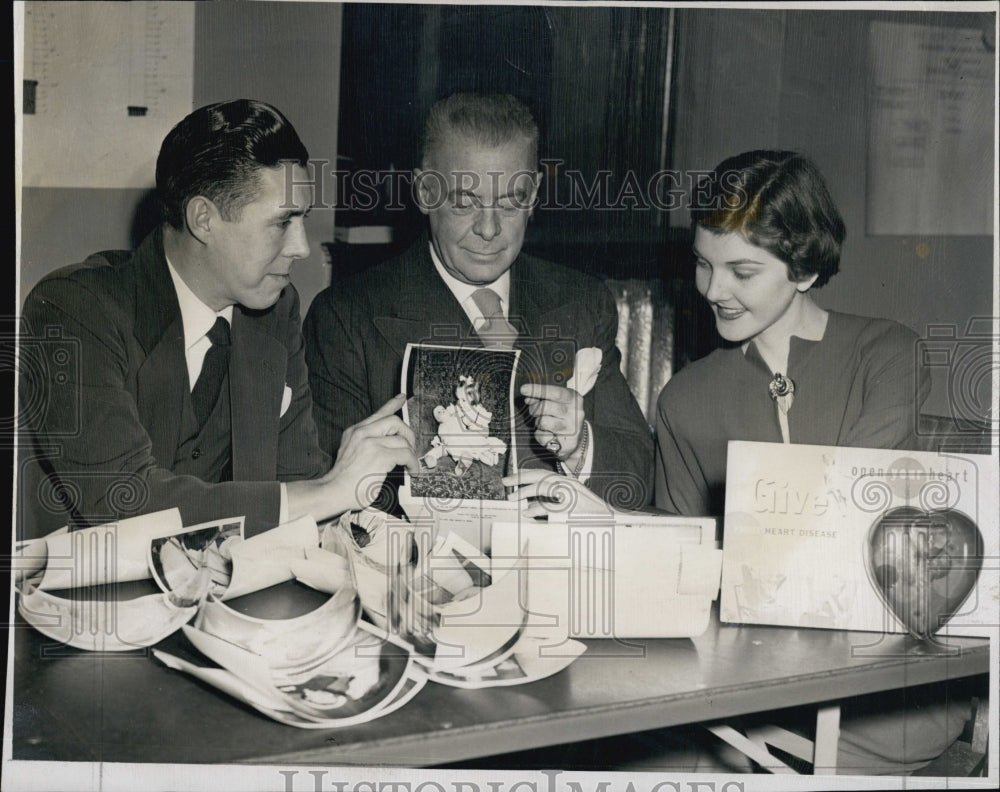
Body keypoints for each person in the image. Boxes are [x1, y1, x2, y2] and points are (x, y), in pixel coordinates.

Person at [19, 99, 417, 539]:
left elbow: (298, 479)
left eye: (303, 220)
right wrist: (331, 491)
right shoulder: (73, 310)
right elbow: (121, 502)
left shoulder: (276, 311)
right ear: (203, 219)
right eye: (282, 222)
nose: (302, 247)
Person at [303, 92, 652, 509]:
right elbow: (325, 497)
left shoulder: (582, 303)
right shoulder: (346, 317)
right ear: (424, 192)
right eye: (465, 201)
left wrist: (579, 448)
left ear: (535, 194)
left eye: (510, 202)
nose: (489, 229)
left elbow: (638, 478)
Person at [655, 150, 929, 518]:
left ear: (805, 270)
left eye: (743, 273)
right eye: (704, 264)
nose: (713, 290)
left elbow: (851, 506)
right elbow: (681, 559)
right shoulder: (683, 400)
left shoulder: (889, 354)